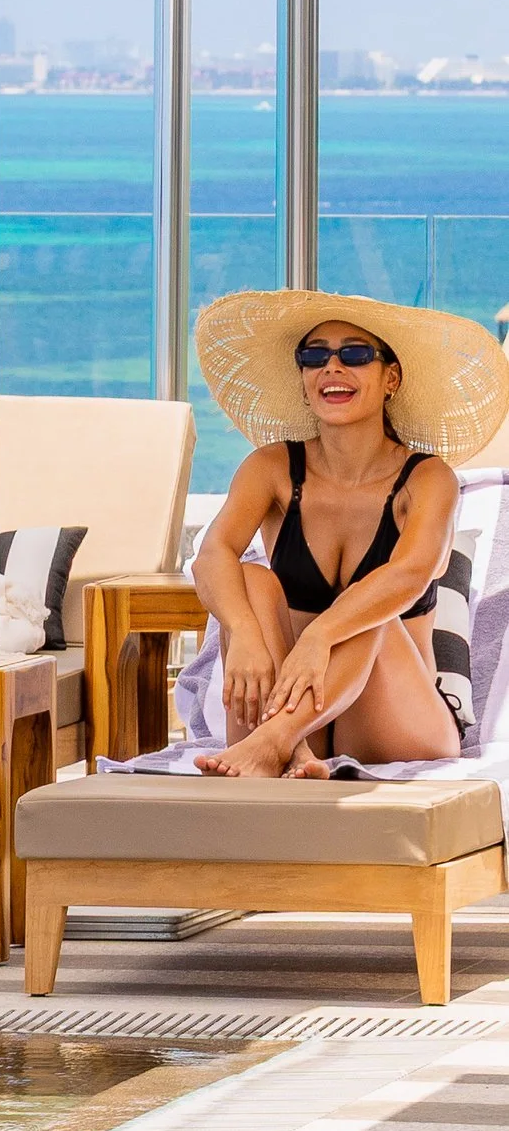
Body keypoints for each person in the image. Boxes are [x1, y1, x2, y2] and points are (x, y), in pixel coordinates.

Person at [186, 289, 507, 778]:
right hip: (291, 706)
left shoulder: (426, 478)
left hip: (395, 721)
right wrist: (245, 631)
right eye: (314, 357)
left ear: (390, 378)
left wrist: (319, 635)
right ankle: (294, 751)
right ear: (303, 378)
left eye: (354, 354)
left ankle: (273, 745)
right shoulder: (273, 468)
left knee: (369, 603)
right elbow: (212, 554)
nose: (331, 368)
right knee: (250, 578)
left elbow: (413, 572)